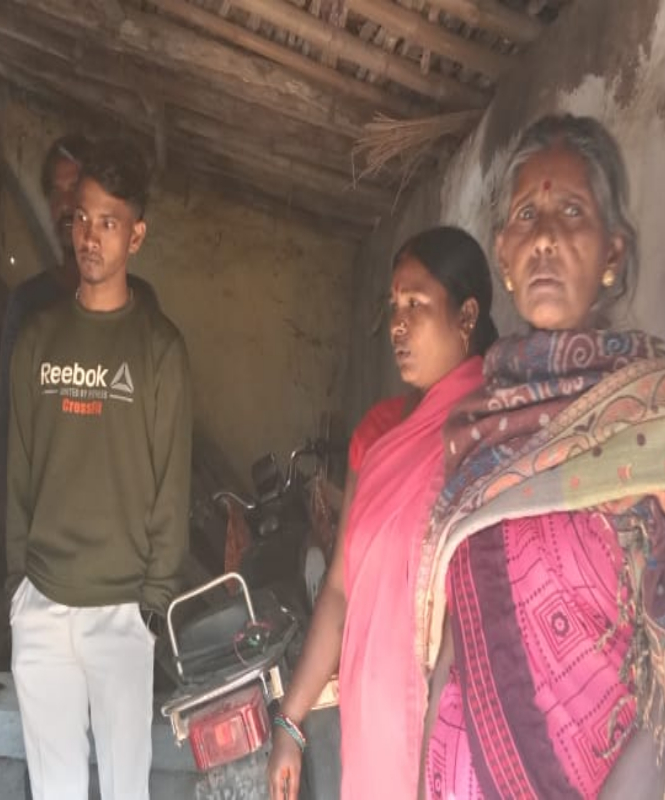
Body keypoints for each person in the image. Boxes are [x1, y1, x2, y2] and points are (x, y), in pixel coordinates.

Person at [416, 114, 665, 798]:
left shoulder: (658, 415)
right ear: (504, 254)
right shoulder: (480, 429)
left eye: (572, 211)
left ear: (613, 250)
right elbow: (455, 648)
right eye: (527, 215)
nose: (545, 237)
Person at [267, 227, 499, 800]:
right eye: (394, 306)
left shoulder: (492, 431)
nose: (398, 323)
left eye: (417, 304)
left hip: (448, 738)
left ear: (467, 316)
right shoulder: (378, 436)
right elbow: (340, 590)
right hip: (371, 729)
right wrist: (290, 722)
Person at [6, 138, 192, 800]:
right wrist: (17, 587)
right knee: (53, 790)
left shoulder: (160, 350)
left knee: (123, 790)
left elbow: (171, 486)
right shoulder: (38, 338)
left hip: (122, 612)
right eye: (82, 218)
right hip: (42, 602)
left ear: (136, 236)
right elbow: (18, 469)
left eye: (109, 223)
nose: (89, 236)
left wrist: (153, 605)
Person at [0, 134, 157, 480]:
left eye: (76, 189)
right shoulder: (29, 305)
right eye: (56, 192)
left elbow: (152, 429)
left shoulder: (141, 305)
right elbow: (11, 430)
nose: (66, 205)